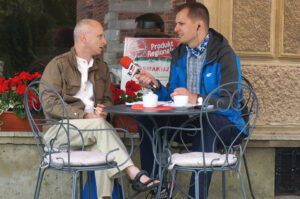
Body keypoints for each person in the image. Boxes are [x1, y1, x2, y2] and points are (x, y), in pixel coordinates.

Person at [135, 2, 245, 198]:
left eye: (181, 24)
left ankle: (197, 195)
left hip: (226, 126)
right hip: (189, 123)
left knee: (206, 121)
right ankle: (156, 186)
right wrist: (156, 86)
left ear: (198, 26)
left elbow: (230, 103)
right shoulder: (179, 55)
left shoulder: (224, 55)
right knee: (146, 118)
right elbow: (173, 98)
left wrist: (196, 98)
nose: (175, 29)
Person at [40, 19, 158, 199]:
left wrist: (105, 111)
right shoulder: (58, 65)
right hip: (59, 132)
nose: (104, 42)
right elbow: (48, 103)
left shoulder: (102, 68)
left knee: (105, 152)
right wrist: (84, 115)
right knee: (98, 127)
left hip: (93, 132)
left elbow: (107, 101)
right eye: (100, 36)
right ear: (83, 38)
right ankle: (133, 172)